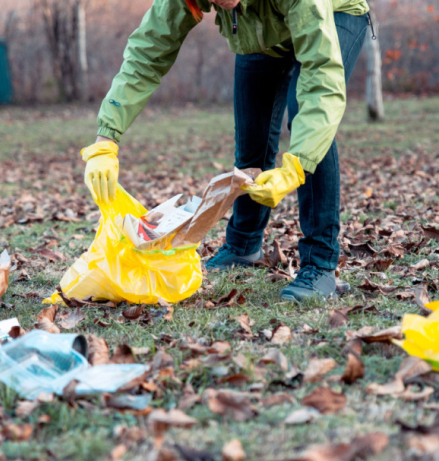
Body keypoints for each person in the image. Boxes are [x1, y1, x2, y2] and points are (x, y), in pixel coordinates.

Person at [81, 0, 371, 302]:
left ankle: (320, 264)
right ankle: (243, 246)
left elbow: (321, 83)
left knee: (307, 122)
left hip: (333, 13)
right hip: (261, 31)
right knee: (251, 136)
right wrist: (105, 140)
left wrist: (295, 166)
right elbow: (146, 54)